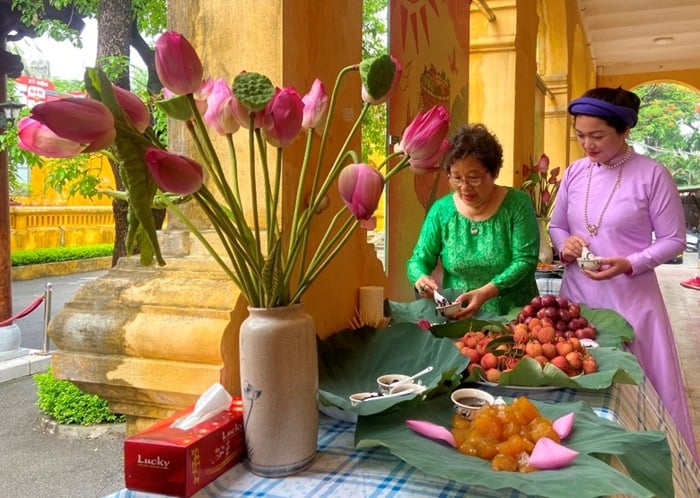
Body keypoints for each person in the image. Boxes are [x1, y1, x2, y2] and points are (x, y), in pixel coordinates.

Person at [549, 86, 698, 461]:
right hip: (577, 301)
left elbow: (673, 240)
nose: (587, 145)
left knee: (641, 389)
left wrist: (630, 262)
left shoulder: (652, 174)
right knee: (577, 379)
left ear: (624, 130)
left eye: (597, 136)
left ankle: (651, 466)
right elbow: (557, 225)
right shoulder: (575, 173)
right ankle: (584, 461)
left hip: (632, 301)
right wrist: (565, 244)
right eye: (581, 135)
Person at [407, 123, 540, 318]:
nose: (464, 187)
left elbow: (525, 260)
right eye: (456, 178)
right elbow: (418, 260)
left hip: (515, 316)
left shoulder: (517, 205)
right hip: (460, 316)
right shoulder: (441, 211)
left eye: (474, 178)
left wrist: (487, 292)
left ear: (493, 172)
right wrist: (420, 277)